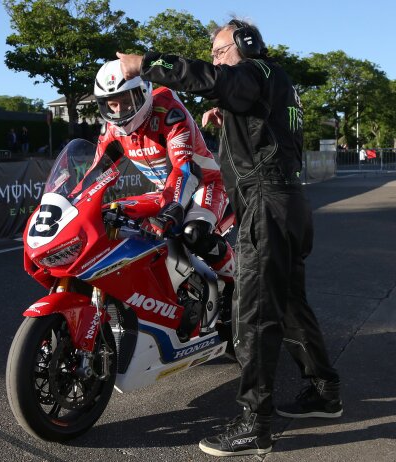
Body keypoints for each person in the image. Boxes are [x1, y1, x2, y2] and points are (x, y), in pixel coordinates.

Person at [118, 17, 341, 457]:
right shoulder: (276, 80)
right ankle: (324, 391)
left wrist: (144, 63)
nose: (217, 59)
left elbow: (208, 78)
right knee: (291, 304)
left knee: (253, 314)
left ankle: (253, 423)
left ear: (246, 44)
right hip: (289, 204)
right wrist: (230, 113)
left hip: (266, 204)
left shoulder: (255, 71)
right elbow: (263, 123)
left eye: (222, 50)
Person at [92, 59, 235, 291]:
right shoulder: (112, 130)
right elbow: (95, 175)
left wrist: (172, 207)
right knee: (111, 213)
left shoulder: (169, 111)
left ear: (143, 93)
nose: (120, 111)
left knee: (193, 233)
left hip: (205, 184)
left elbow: (183, 169)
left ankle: (243, 285)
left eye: (127, 102)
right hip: (165, 191)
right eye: (112, 105)